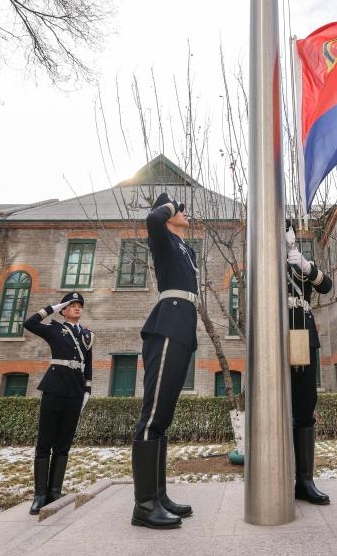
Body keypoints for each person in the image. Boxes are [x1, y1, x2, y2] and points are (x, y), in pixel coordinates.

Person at [131, 192, 198, 530]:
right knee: (153, 415)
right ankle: (144, 506)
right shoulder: (162, 237)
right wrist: (171, 205)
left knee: (164, 417)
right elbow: (153, 219)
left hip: (183, 325)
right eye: (180, 210)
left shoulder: (186, 249)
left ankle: (158, 496)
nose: (185, 213)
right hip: (167, 324)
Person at [23, 291, 94, 515]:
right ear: (63, 310)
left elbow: (88, 365)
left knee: (64, 443)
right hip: (54, 389)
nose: (77, 308)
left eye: (79, 305)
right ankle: (39, 495)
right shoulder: (54, 329)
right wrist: (53, 307)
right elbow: (29, 323)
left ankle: (54, 490)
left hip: (75, 391)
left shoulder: (87, 335)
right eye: (71, 305)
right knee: (45, 443)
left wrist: (87, 390)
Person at [285, 224, 333, 505]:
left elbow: (326, 286)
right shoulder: (263, 260)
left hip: (302, 331)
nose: (286, 236)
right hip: (275, 333)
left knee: (304, 404)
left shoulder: (301, 262)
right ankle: (277, 476)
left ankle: (304, 480)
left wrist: (305, 265)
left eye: (289, 231)